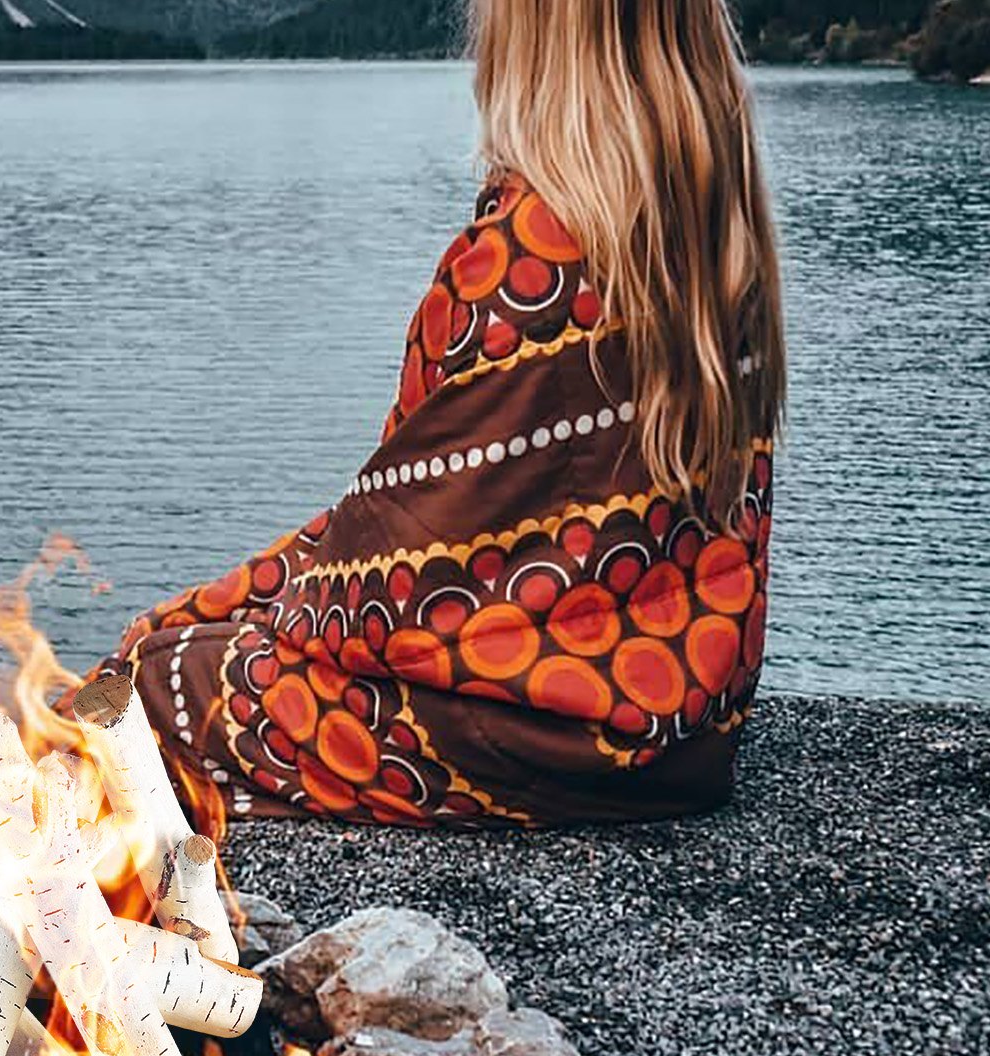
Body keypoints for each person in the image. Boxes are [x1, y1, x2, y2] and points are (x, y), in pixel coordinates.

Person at [97, 0, 785, 829]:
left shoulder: (519, 258)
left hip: (532, 746)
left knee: (153, 680)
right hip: (688, 735)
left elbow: (384, 585)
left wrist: (209, 612)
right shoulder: (725, 234)